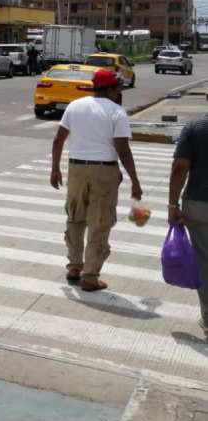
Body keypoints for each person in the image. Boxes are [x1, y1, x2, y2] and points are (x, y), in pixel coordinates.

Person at [50, 68, 142, 292]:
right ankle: (89, 277)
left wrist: (55, 169)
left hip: (76, 169)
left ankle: (74, 267)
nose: (119, 91)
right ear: (111, 89)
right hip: (103, 172)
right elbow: (122, 149)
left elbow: (58, 140)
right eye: (117, 88)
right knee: (100, 223)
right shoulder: (117, 112)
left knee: (75, 217)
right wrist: (135, 181)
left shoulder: (75, 106)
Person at [167, 118, 208, 333]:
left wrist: (172, 204)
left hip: (199, 205)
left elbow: (180, 166)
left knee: (204, 261)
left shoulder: (195, 128)